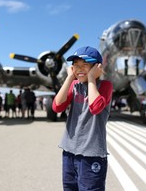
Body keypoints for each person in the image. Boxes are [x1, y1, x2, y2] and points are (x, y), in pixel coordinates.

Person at [52, 46, 113, 190]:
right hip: (69, 152)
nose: (79, 69)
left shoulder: (105, 86)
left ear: (97, 67)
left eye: (85, 65)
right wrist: (69, 78)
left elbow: (95, 107)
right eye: (76, 65)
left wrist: (91, 78)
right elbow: (57, 106)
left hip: (91, 155)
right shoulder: (74, 85)